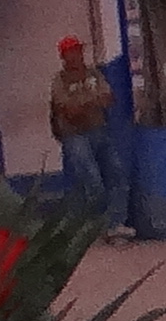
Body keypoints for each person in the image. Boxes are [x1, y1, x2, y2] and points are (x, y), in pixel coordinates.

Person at [47, 38, 116, 218]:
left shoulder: (94, 74)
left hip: (99, 130)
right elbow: (69, 111)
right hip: (75, 135)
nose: (76, 55)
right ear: (63, 56)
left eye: (78, 50)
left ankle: (113, 222)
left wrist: (83, 104)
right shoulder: (60, 81)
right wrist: (93, 102)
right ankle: (96, 222)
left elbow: (109, 98)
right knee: (91, 178)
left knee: (114, 175)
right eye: (71, 52)